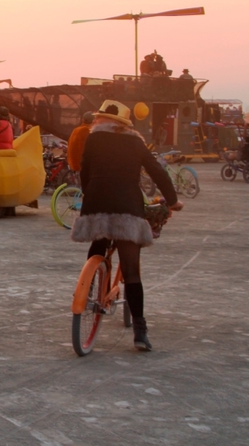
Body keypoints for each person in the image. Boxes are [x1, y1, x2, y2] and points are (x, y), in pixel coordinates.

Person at [71, 100, 184, 351]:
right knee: (132, 270)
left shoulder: (93, 139)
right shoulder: (135, 141)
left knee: (98, 244)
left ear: (100, 119)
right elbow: (157, 171)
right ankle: (140, 330)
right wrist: (173, 201)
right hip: (127, 206)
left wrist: (91, 194)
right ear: (125, 123)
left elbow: (84, 172)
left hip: (97, 203)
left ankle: (89, 290)